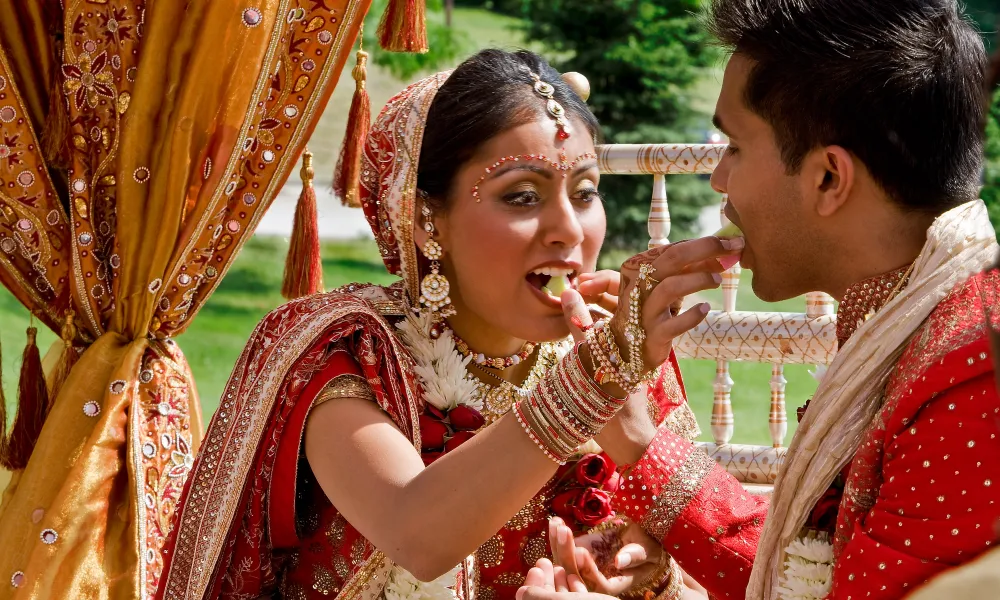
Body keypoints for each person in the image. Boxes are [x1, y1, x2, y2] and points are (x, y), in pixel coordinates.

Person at [156, 48, 741, 600]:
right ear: (425, 220)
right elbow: (418, 534)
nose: (568, 229)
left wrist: (643, 572)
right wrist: (594, 382)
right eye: (521, 197)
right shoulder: (351, 355)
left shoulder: (618, 361)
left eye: (585, 192)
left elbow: (707, 569)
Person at [517, 1, 1000, 599]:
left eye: (735, 148)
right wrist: (642, 451)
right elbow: (823, 578)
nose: (718, 180)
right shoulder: (915, 322)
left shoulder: (972, 376)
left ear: (828, 178)